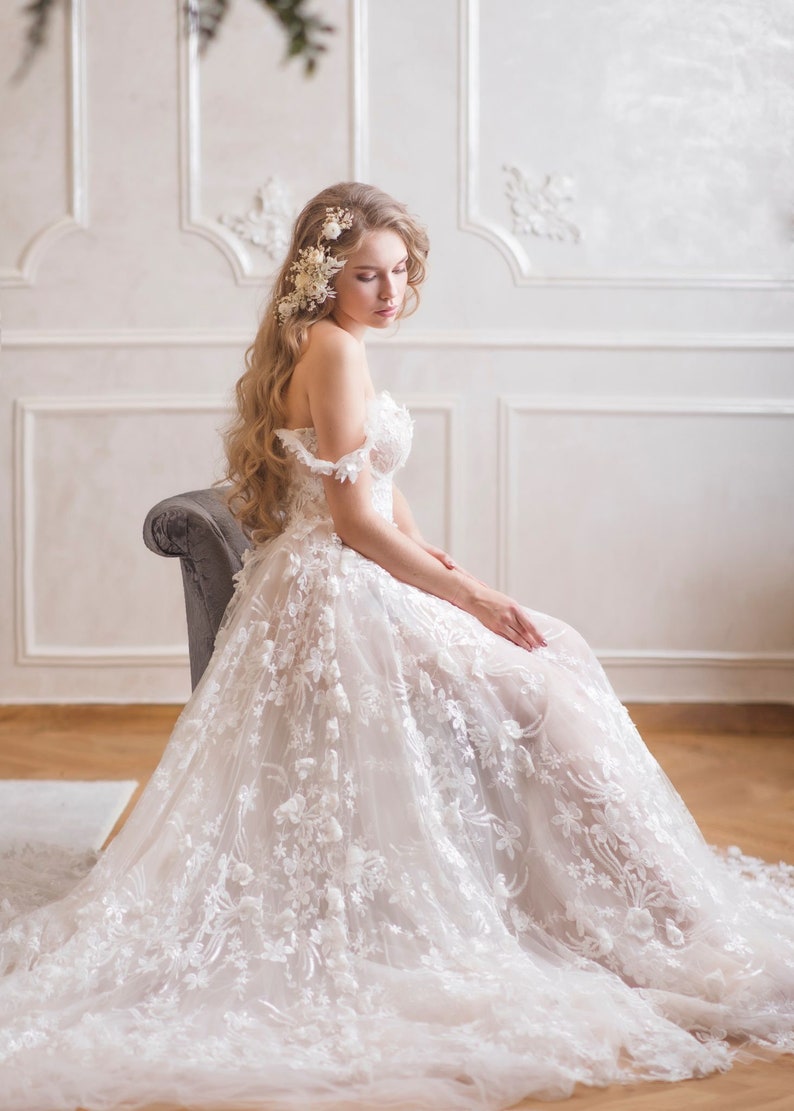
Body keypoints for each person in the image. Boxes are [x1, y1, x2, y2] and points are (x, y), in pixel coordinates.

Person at [0, 182, 792, 1110]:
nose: (388, 290)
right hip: (337, 591)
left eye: (401, 271)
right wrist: (466, 591)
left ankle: (641, 915)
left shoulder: (340, 345)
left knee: (553, 668)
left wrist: (429, 555)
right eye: (366, 273)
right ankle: (656, 922)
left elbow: (373, 483)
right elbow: (348, 516)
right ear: (323, 276)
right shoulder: (332, 349)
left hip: (355, 572)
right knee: (544, 689)